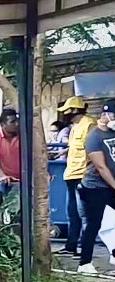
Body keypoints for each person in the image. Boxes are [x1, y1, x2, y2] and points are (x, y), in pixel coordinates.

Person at [77, 100, 115, 275]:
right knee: (93, 224)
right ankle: (84, 263)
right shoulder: (94, 136)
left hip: (111, 185)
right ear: (105, 115)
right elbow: (101, 167)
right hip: (95, 187)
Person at [57, 96, 96, 256]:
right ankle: (71, 245)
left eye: (66, 111)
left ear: (73, 110)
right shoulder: (75, 126)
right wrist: (64, 151)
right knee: (72, 212)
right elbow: (75, 147)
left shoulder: (89, 125)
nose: (64, 114)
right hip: (71, 174)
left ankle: (83, 247)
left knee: (84, 213)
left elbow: (92, 149)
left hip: (83, 174)